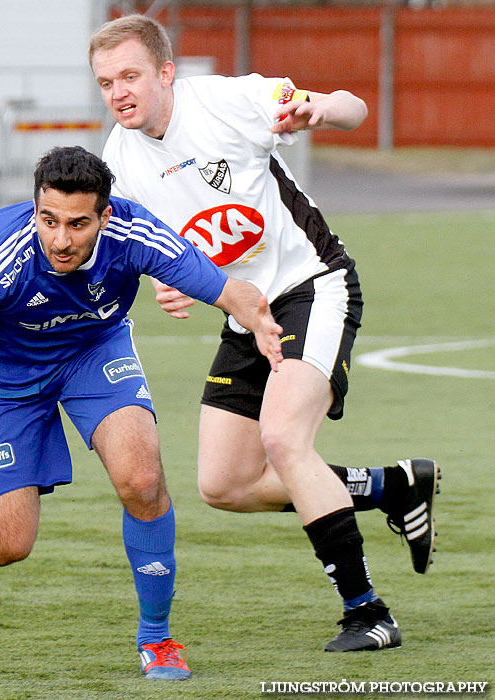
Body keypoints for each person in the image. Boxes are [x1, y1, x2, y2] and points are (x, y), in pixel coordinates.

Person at [0, 146, 283, 680]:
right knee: (6, 548)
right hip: (0, 380)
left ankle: (157, 637)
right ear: (35, 210)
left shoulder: (134, 233)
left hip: (92, 353)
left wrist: (259, 322)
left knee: (142, 479)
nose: (60, 239)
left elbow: (227, 289)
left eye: (78, 224)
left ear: (105, 215)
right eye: (48, 220)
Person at [88, 15, 440, 652]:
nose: (119, 92)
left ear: (167, 73)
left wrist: (317, 107)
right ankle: (391, 485)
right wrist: (167, 281)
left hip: (314, 287)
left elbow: (355, 109)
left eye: (131, 75)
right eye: (107, 82)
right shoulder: (119, 160)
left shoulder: (228, 100)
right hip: (245, 314)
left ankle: (369, 612)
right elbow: (157, 248)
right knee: (223, 484)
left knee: (282, 439)